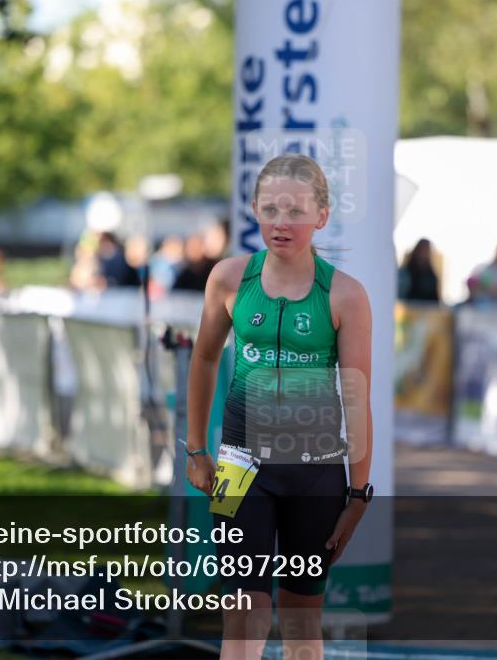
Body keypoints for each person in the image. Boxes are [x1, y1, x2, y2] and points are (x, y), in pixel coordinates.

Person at [185, 154, 374, 660]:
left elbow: (357, 399)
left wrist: (358, 495)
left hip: (316, 474)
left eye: (295, 210)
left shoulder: (346, 295)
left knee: (301, 622)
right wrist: (195, 449)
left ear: (322, 215)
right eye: (270, 209)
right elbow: (203, 360)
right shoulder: (228, 279)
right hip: (237, 466)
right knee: (243, 616)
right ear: (253, 210)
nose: (281, 222)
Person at [398, 238, 440, 302]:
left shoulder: (432, 275)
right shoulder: (406, 272)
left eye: (427, 250)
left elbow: (435, 300)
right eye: (423, 249)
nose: (424, 253)